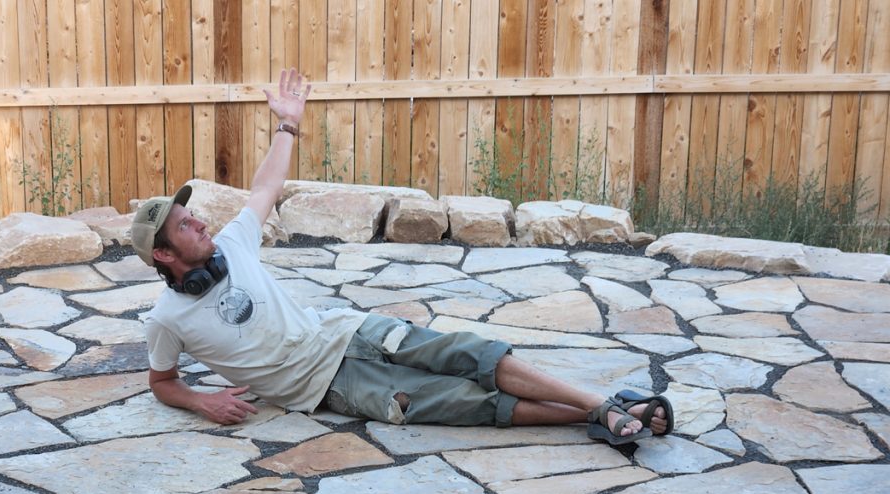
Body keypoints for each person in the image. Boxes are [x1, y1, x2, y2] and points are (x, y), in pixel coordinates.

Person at [133, 68, 672, 444]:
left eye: (192, 214)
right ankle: (600, 416)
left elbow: (264, 188)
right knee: (462, 403)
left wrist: (287, 123)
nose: (200, 222)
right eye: (185, 224)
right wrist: (203, 402)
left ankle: (600, 403)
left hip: (348, 331)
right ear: (163, 253)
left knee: (470, 353)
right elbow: (162, 382)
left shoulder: (231, 243)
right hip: (329, 387)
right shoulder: (166, 318)